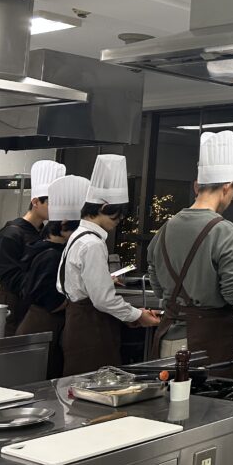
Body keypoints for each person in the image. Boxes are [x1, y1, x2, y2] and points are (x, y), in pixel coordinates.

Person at [150, 131, 233, 369]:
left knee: (169, 393)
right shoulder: (226, 231)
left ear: (196, 186)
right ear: (227, 187)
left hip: (167, 337)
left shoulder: (164, 229)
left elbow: (157, 285)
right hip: (204, 344)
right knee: (205, 394)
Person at [57, 155, 160, 375]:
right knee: (94, 386)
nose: (118, 222)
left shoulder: (78, 235)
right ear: (104, 207)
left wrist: (104, 280)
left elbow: (66, 282)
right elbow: (103, 300)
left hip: (76, 323)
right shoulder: (93, 244)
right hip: (91, 329)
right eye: (117, 217)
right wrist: (136, 315)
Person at [18, 175, 88, 378]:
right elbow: (48, 298)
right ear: (64, 224)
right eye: (76, 227)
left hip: (41, 324)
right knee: (37, 379)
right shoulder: (51, 255)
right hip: (42, 325)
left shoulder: (43, 247)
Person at [0, 160, 65, 335]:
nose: (58, 208)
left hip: (35, 306)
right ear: (36, 201)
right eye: (53, 202)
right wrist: (40, 291)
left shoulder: (44, 233)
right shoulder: (10, 234)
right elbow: (9, 275)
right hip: (13, 306)